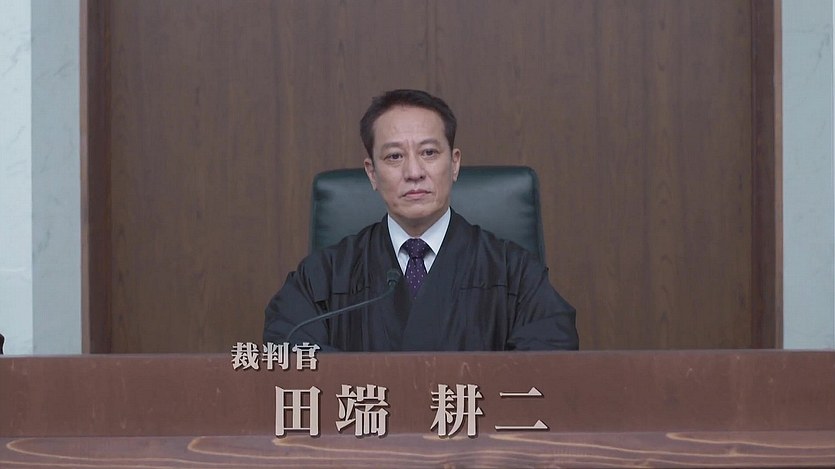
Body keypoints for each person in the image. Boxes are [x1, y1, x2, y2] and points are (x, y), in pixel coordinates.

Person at [263, 89, 578, 351]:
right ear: (372, 173)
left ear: (454, 164)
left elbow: (550, 357)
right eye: (394, 156)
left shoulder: (514, 271)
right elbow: (288, 350)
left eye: (429, 153)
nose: (414, 172)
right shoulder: (324, 275)